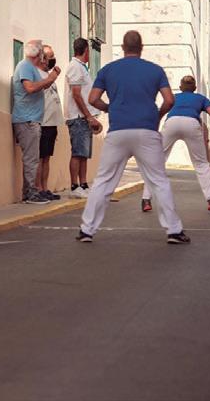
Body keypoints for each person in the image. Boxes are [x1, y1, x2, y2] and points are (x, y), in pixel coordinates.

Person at [78, 30, 189, 245]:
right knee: (158, 181)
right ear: (141, 48)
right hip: (147, 131)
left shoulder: (108, 69)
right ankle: (174, 231)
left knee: (103, 180)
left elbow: (92, 99)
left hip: (118, 131)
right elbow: (169, 100)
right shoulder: (155, 70)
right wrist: (158, 116)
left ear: (123, 48)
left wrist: (110, 108)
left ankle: (87, 230)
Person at [141, 75, 210, 215]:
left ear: (180, 88)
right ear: (195, 88)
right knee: (201, 164)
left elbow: (160, 113)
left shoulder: (174, 97)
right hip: (192, 123)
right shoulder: (201, 98)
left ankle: (146, 200)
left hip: (171, 123)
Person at [12, 39, 61, 204]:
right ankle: (30, 193)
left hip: (32, 119)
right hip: (27, 119)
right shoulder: (25, 66)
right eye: (42, 54)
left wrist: (51, 78)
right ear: (38, 54)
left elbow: (42, 86)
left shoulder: (30, 68)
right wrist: (51, 77)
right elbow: (30, 88)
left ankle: (31, 191)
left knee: (33, 158)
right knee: (31, 159)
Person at [65, 38, 102, 198]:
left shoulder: (81, 67)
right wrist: (88, 116)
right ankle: (74, 186)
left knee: (84, 154)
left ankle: (84, 184)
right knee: (78, 153)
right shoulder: (75, 67)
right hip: (78, 116)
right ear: (86, 51)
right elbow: (76, 94)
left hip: (85, 117)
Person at [35, 44, 64, 201]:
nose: (53, 59)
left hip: (52, 123)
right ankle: (38, 188)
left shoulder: (48, 75)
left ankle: (45, 188)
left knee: (47, 157)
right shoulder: (38, 74)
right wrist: (53, 75)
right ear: (42, 58)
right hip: (43, 122)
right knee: (40, 157)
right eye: (50, 56)